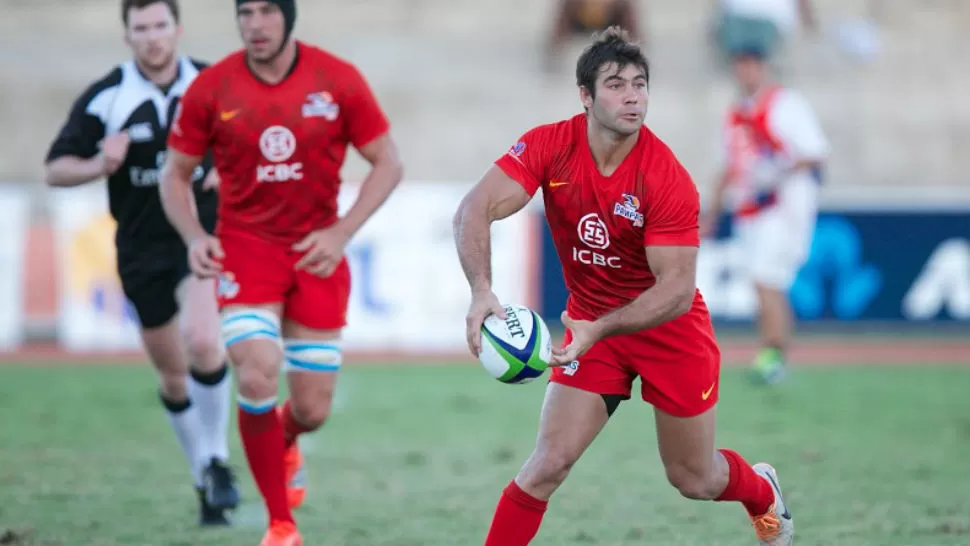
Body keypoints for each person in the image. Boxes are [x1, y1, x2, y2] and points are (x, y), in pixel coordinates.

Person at [454, 27, 793, 546]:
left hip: (669, 331)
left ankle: (762, 493)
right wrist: (482, 289)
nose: (633, 95)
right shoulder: (549, 144)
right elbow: (475, 208)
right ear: (585, 97)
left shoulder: (665, 177)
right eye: (615, 84)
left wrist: (601, 327)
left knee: (693, 479)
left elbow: (677, 290)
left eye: (640, 84)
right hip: (590, 327)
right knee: (547, 465)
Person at [159, 1, 403, 544]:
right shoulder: (213, 88)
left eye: (268, 11)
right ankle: (280, 523)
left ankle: (287, 437)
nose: (256, 24)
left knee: (313, 408)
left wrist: (342, 231)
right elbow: (173, 176)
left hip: (318, 252)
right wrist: (196, 237)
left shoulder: (336, 80)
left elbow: (388, 162)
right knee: (256, 369)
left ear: (288, 18)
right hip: (245, 252)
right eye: (246, 12)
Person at [44, 0, 237, 526]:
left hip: (201, 233)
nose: (153, 37)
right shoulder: (107, 96)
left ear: (177, 29)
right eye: (141, 28)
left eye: (160, 26)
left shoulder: (212, 82)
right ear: (127, 36)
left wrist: (231, 170)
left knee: (204, 341)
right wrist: (98, 163)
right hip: (141, 247)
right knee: (174, 376)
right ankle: (203, 475)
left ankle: (218, 459)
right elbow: (55, 169)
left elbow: (249, 142)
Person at [700, 45, 828, 384]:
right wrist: (712, 212)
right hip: (750, 208)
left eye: (752, 65)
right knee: (765, 282)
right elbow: (728, 167)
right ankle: (774, 353)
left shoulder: (786, 105)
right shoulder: (736, 114)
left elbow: (813, 154)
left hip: (781, 205)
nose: (746, 72)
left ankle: (774, 353)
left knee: (764, 278)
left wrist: (775, 172)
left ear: (764, 68)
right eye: (741, 65)